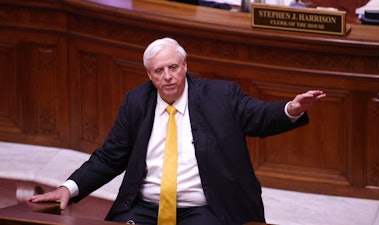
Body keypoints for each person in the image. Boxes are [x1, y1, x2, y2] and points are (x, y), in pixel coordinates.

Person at [28, 37, 326, 225]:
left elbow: (258, 116)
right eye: (159, 71)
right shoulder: (137, 101)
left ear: (185, 66)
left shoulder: (220, 96)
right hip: (145, 207)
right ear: (149, 75)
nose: (168, 77)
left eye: (173, 67)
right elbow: (110, 156)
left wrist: (292, 109)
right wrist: (69, 187)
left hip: (205, 208)